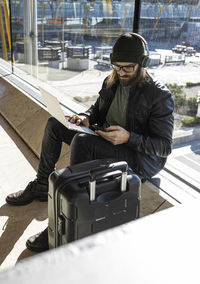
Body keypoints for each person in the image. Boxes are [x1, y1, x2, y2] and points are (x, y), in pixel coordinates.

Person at [6, 33, 174, 252]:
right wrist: (85, 117)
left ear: (143, 64)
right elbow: (97, 110)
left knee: (83, 142)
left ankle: (58, 223)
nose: (121, 73)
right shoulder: (112, 81)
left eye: (128, 68)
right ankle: (41, 185)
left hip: (137, 157)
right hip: (108, 139)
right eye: (117, 67)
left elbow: (164, 147)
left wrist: (129, 137)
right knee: (55, 124)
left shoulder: (159, 95)